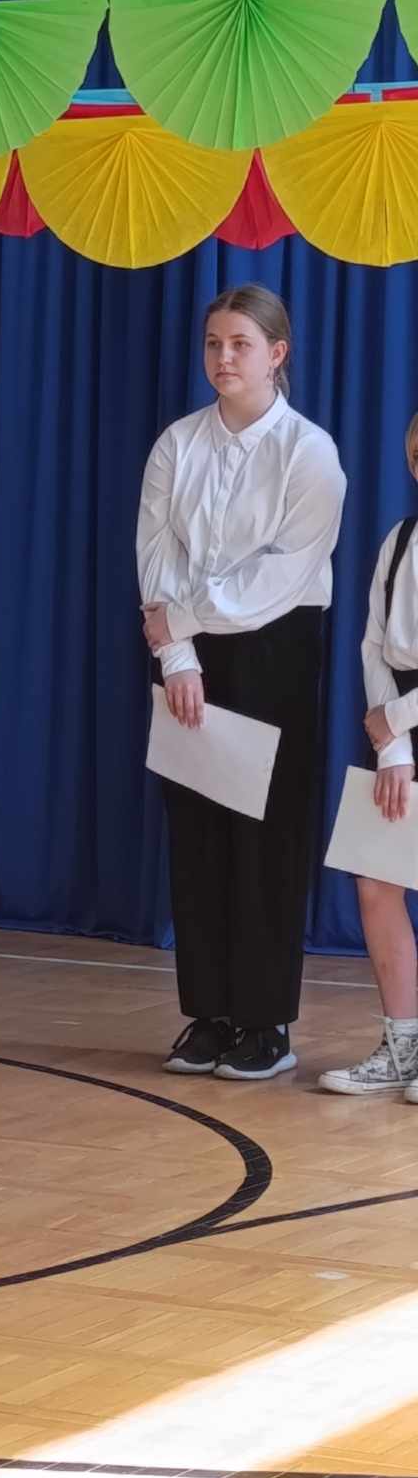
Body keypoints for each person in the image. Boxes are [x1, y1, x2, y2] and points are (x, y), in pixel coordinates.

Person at [138, 283, 346, 1082]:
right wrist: (178, 657)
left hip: (274, 650)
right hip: (187, 651)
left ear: (276, 354)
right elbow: (156, 550)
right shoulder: (177, 444)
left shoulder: (309, 452)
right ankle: (210, 1012)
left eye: (240, 345)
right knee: (196, 830)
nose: (223, 358)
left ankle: (266, 1022)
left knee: (266, 835)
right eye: (214, 343)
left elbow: (282, 574)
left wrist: (183, 621)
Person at [319, 412, 418, 1097]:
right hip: (394, 730)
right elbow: (373, 644)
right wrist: (393, 744)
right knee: (376, 882)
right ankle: (404, 1047)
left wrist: (398, 719)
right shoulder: (399, 539)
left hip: (400, 716)